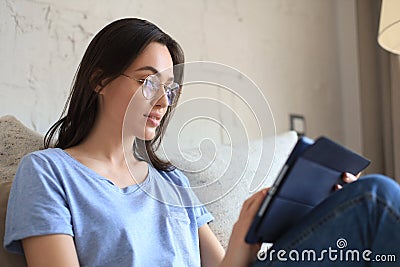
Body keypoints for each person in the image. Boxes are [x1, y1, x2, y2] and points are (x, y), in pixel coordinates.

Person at [3, 18, 400, 267]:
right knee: (376, 199)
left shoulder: (171, 182)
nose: (163, 101)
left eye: (171, 90)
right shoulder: (48, 172)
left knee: (363, 200)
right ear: (100, 80)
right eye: (147, 82)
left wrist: (259, 224)